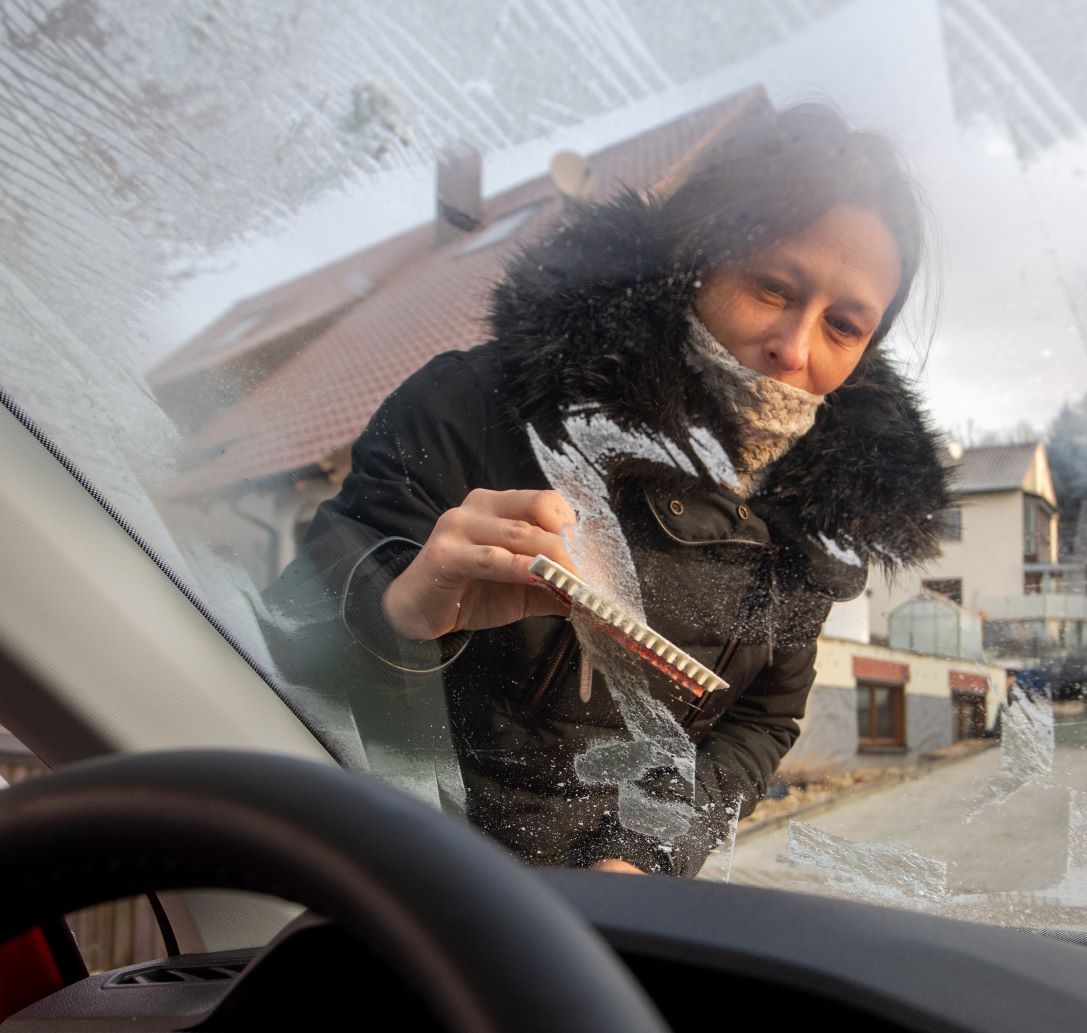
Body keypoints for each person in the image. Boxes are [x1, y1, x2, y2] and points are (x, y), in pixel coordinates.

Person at [260, 103, 951, 878]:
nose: (794, 348)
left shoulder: (815, 518)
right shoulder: (477, 406)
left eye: (845, 326)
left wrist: (652, 852)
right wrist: (401, 607)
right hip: (399, 895)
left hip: (607, 933)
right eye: (771, 286)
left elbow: (763, 719)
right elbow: (287, 645)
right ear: (700, 255)